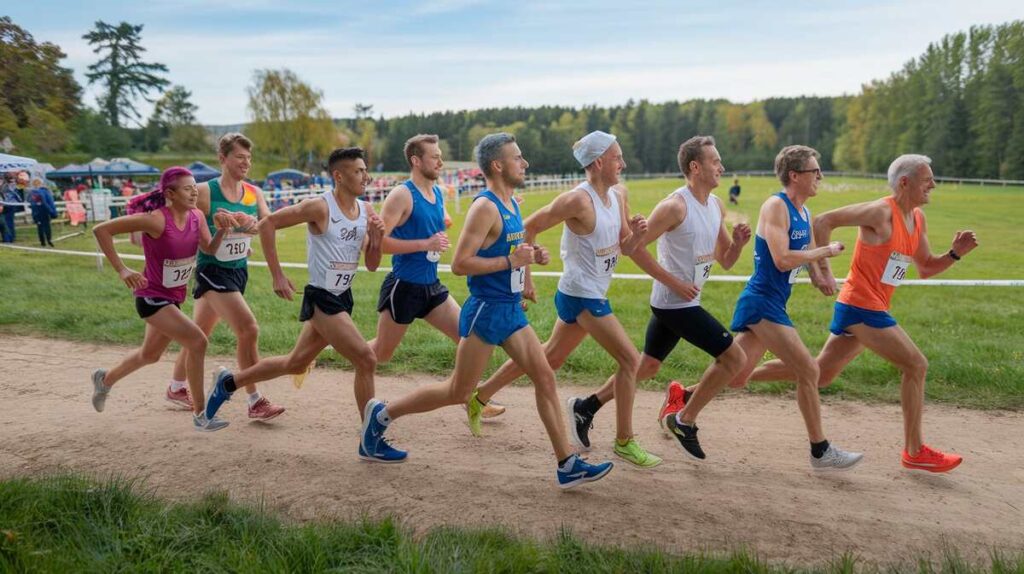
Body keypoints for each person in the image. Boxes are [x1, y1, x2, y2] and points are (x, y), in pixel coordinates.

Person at [360, 133, 614, 488]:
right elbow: (461, 264)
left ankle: (566, 464)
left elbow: (517, 245)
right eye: (518, 158)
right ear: (498, 165)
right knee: (457, 392)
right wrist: (511, 260)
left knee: (544, 376)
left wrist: (530, 260)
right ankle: (382, 414)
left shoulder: (511, 204)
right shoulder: (485, 207)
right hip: (485, 311)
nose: (524, 164)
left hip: (510, 310)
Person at [749, 154, 977, 473]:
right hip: (860, 304)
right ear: (905, 182)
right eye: (928, 180)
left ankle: (727, 377)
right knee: (916, 364)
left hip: (871, 306)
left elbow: (925, 268)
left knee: (820, 374)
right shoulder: (880, 211)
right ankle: (915, 450)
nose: (933, 185)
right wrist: (823, 271)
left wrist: (955, 254)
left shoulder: (917, 220)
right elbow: (823, 221)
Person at [465, 131, 660, 467]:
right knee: (631, 360)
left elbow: (626, 249)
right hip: (579, 292)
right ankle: (625, 440)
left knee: (549, 358)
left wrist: (638, 236)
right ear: (598, 162)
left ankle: (479, 396)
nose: (623, 164)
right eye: (618, 158)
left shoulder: (620, 194)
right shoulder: (576, 201)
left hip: (594, 290)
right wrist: (525, 276)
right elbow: (527, 227)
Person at [566, 136, 752, 462]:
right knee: (735, 360)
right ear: (695, 167)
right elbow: (633, 247)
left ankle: (586, 406)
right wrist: (675, 283)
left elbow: (726, 260)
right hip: (673, 302)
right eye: (715, 161)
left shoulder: (716, 205)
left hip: (684, 301)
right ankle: (684, 419)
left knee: (648, 366)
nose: (721, 167)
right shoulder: (674, 206)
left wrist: (736, 244)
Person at [203, 148, 385, 446]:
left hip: (343, 296)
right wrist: (277, 274)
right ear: (339, 176)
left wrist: (376, 240)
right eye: (358, 171)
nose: (366, 176)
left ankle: (228, 383)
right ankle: (371, 437)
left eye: (366, 170)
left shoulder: (366, 211)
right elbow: (268, 223)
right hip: (321, 299)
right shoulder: (319, 207)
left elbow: (373, 264)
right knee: (366, 359)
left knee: (295, 363)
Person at [723, 145, 863, 470]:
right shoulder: (776, 206)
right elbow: (783, 259)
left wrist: (823, 279)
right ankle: (820, 450)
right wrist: (825, 251)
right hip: (761, 302)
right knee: (810, 370)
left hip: (774, 303)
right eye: (815, 171)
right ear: (795, 175)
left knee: (736, 376)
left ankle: (682, 399)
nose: (820, 176)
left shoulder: (803, 213)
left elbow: (810, 261)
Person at [89, 167, 252, 431]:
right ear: (170, 194)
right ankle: (202, 415)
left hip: (174, 297)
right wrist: (122, 270)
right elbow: (101, 230)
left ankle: (104, 380)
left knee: (149, 355)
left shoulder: (197, 216)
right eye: (187, 189)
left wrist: (222, 230)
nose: (194, 192)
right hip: (151, 297)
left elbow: (209, 249)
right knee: (198, 341)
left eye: (194, 187)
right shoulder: (155, 220)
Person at [368, 134, 504, 419]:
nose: (441, 161)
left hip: (432, 288)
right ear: (416, 161)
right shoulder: (401, 195)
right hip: (404, 287)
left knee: (468, 339)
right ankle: (338, 348)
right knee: (381, 353)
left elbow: (431, 225)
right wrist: (424, 244)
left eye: (441, 155)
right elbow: (380, 243)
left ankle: (471, 399)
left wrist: (441, 226)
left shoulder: (438, 192)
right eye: (435, 156)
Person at [164, 133, 286, 421]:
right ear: (222, 158)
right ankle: (254, 399)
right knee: (248, 329)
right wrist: (216, 225)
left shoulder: (254, 192)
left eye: (248, 158)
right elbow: (183, 222)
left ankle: (176, 386)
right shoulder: (205, 191)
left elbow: (267, 224)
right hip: (212, 270)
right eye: (239, 157)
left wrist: (250, 224)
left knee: (199, 333)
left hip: (238, 270)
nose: (246, 162)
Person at [28, 178, 57, 247]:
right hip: (45, 212)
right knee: (47, 227)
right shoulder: (45, 192)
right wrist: (52, 212)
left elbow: (30, 203)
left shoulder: (32, 193)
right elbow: (49, 203)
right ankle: (49, 240)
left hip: (36, 213)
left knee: (40, 227)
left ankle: (42, 242)